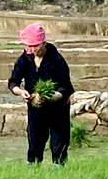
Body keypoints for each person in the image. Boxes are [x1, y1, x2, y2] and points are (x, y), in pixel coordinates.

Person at [9, 23, 73, 165]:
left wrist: (48, 97)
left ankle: (60, 171)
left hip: (58, 109)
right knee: (35, 144)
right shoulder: (24, 59)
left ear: (43, 43)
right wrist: (22, 92)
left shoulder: (57, 60)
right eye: (29, 46)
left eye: (35, 46)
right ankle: (33, 170)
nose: (32, 50)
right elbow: (13, 83)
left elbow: (66, 88)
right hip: (35, 108)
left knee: (59, 144)